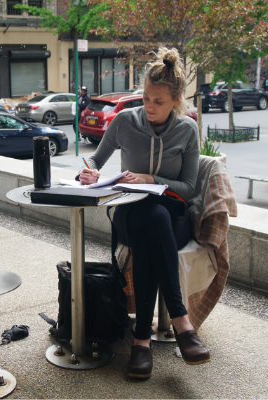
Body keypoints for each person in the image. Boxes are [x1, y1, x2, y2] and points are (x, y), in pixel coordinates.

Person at [79, 47, 210, 378]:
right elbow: (96, 159)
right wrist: (89, 171)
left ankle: (141, 342)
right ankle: (182, 323)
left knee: (154, 221)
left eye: (159, 102)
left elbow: (189, 187)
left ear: (177, 100)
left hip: (173, 217)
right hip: (128, 211)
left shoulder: (187, 130)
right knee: (149, 218)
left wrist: (152, 179)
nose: (150, 107)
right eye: (147, 98)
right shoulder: (125, 122)